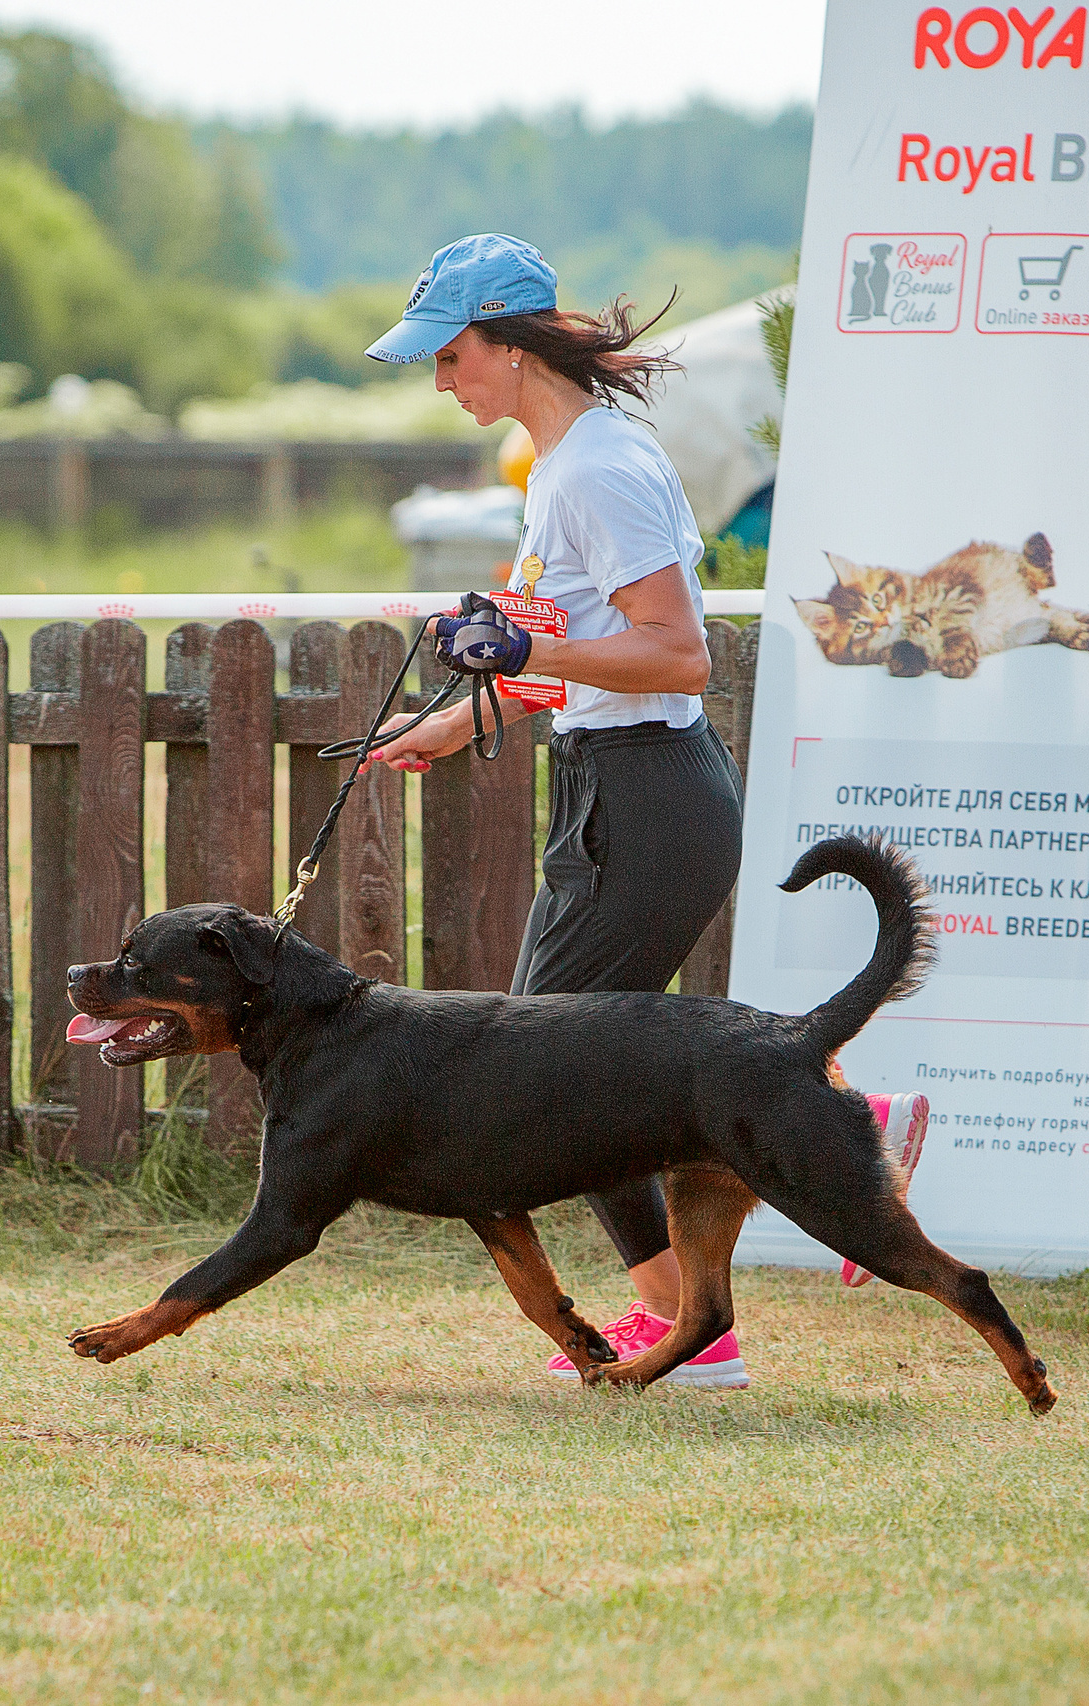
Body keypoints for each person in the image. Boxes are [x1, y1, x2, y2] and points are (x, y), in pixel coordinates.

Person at [362, 233, 752, 1386]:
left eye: (449, 353)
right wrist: (448, 721)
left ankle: (696, 1332)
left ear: (510, 343)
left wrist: (527, 638)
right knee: (568, 1073)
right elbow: (574, 659)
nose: (440, 380)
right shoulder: (566, 462)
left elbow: (678, 656)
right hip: (612, 798)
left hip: (648, 801)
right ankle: (694, 1325)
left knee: (549, 1082)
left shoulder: (595, 471)